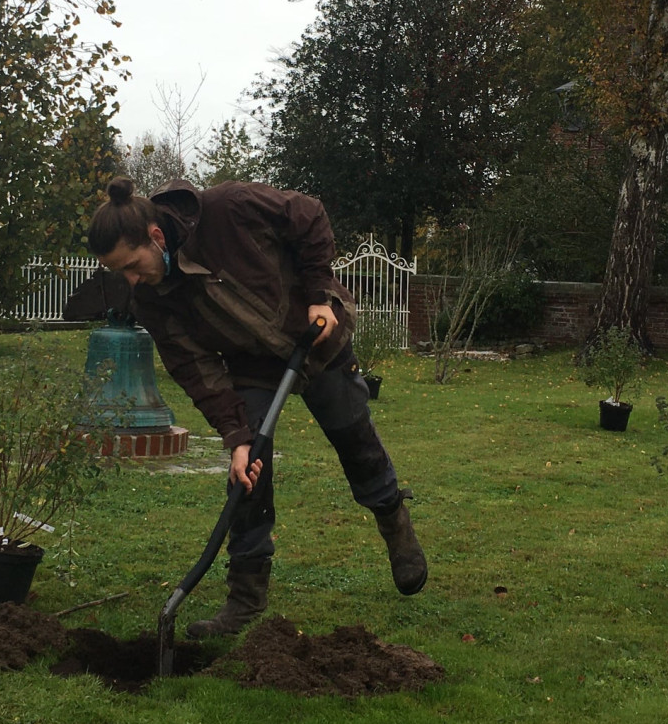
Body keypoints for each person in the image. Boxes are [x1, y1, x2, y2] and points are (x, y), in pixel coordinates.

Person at [87, 176, 426, 637]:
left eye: (131, 265)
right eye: (119, 273)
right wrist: (236, 436)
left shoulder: (229, 208)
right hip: (253, 368)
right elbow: (196, 369)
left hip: (316, 341)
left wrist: (318, 296)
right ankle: (245, 597)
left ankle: (394, 523)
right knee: (247, 473)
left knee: (354, 439)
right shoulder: (153, 298)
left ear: (156, 237)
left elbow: (309, 216)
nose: (130, 279)